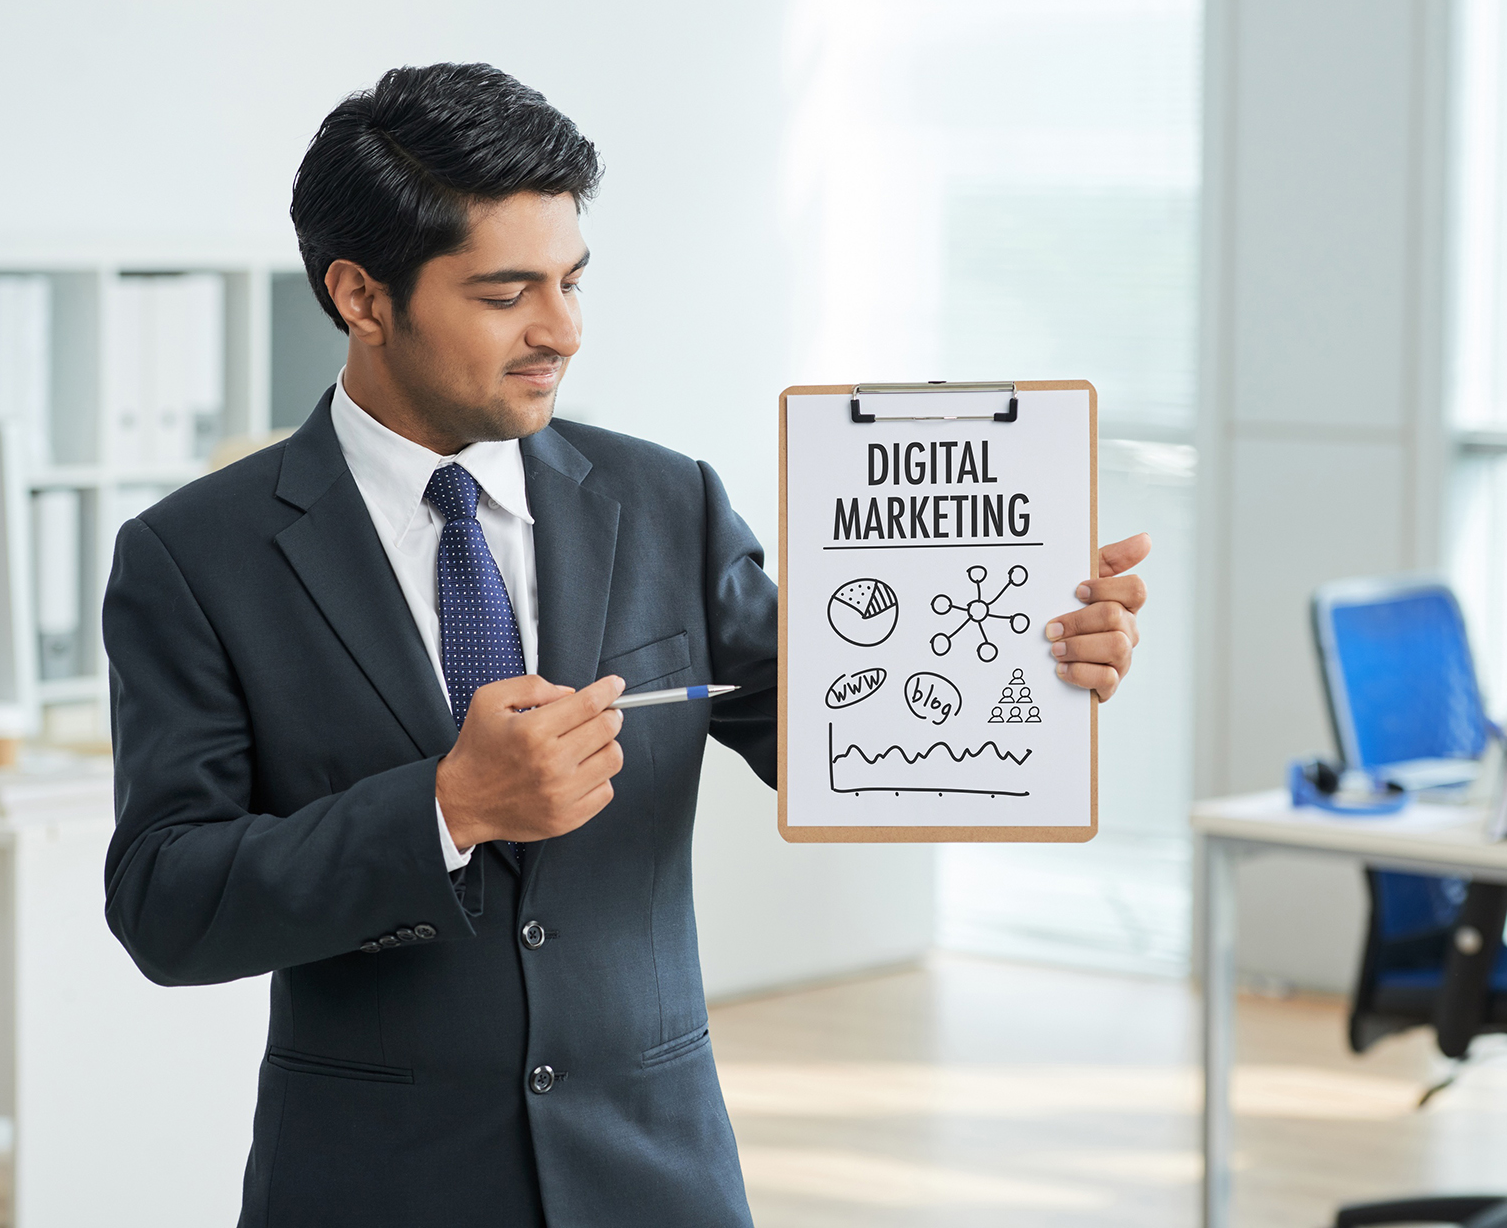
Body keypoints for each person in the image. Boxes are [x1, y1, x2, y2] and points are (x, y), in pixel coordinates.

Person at [101, 62, 1149, 1227]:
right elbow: (166, 900)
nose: (562, 331)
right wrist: (445, 809)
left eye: (571, 282)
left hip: (655, 1174)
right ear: (360, 296)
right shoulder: (195, 557)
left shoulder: (668, 503)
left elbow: (839, 741)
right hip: (373, 1183)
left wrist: (1025, 665)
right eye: (506, 294)